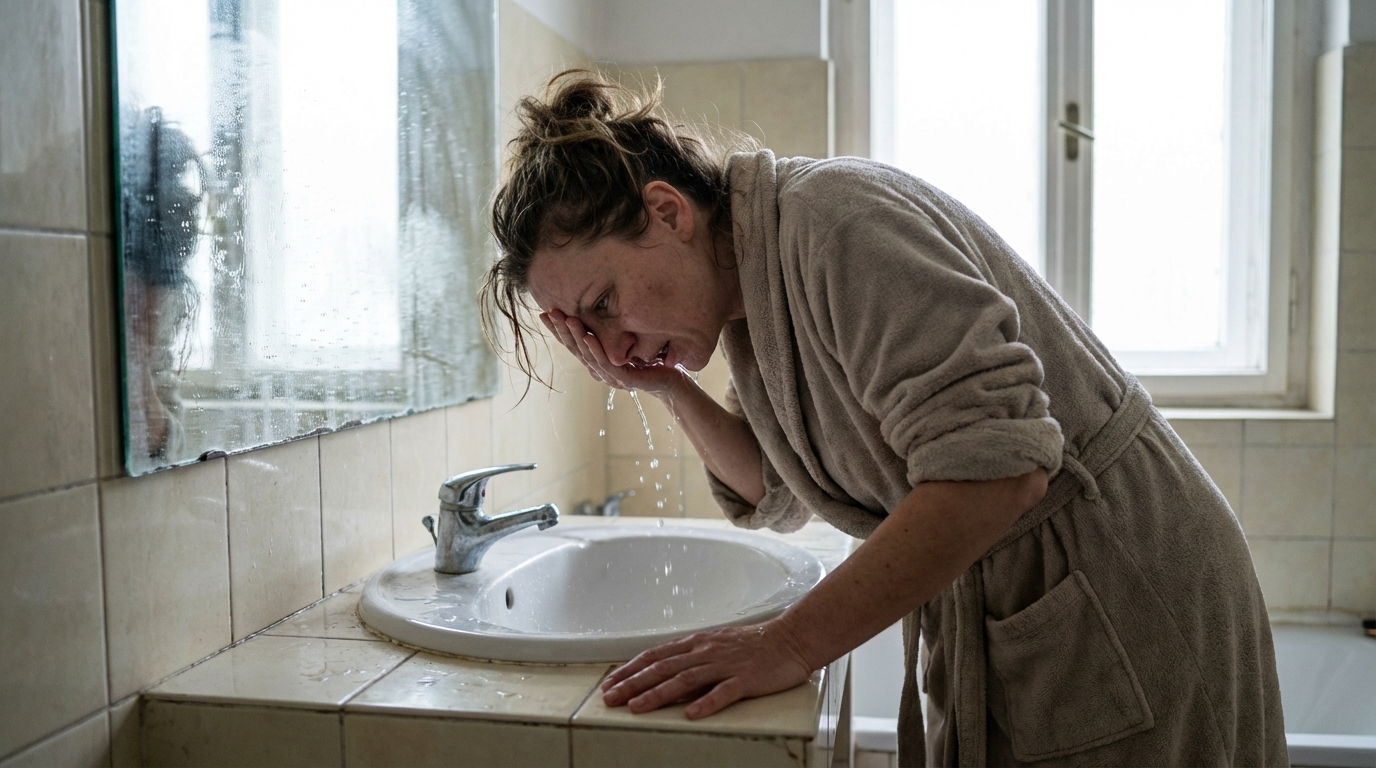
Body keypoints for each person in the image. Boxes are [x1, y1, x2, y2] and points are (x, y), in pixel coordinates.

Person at [481, 70, 1288, 767]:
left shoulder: (833, 221)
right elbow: (775, 489)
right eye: (582, 329)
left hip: (1119, 587)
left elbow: (999, 468)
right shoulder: (754, 298)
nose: (605, 342)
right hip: (1030, 596)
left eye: (604, 304)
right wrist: (661, 385)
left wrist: (788, 644)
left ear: (667, 212)